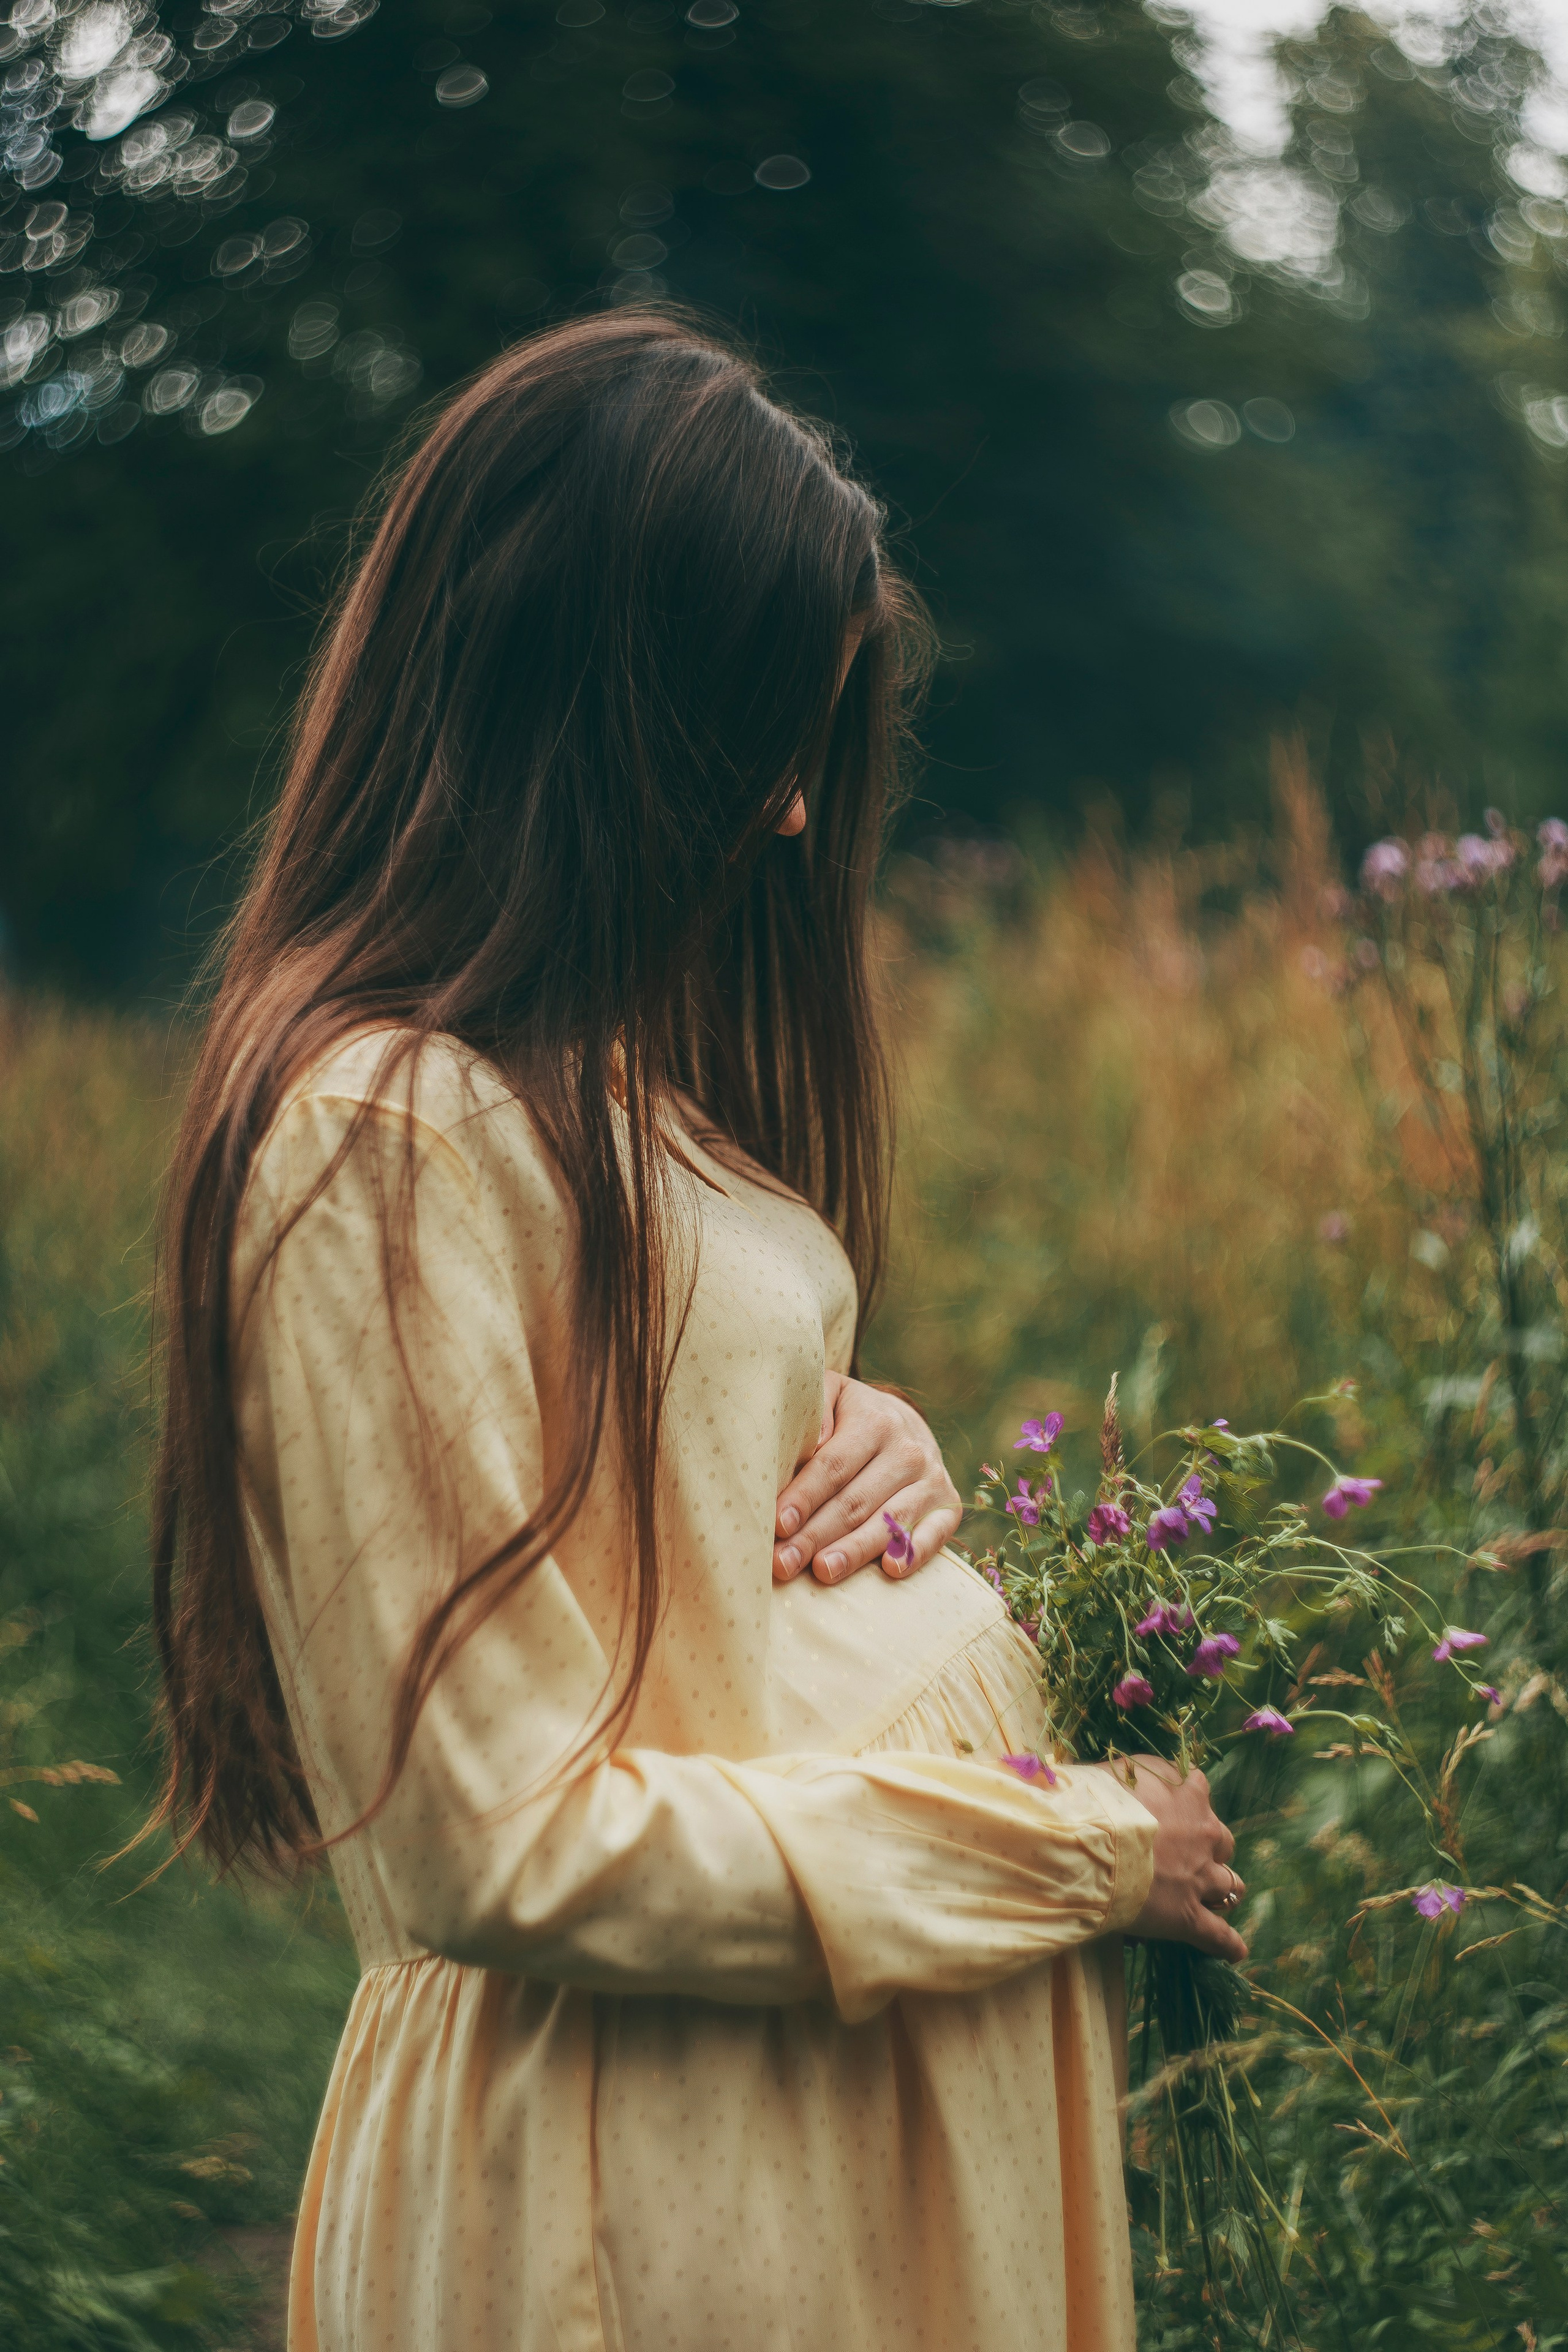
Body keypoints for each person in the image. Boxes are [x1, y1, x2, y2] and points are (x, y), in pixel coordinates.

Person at [148, 309, 1245, 2352]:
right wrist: (1076, 1845)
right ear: (614, 707)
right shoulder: (378, 1134)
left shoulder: (613, 1099)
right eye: (776, 738)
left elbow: (675, 1535)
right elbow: (507, 1842)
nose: (802, 821)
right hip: (647, 2203)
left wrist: (862, 1429)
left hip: (806, 2153)